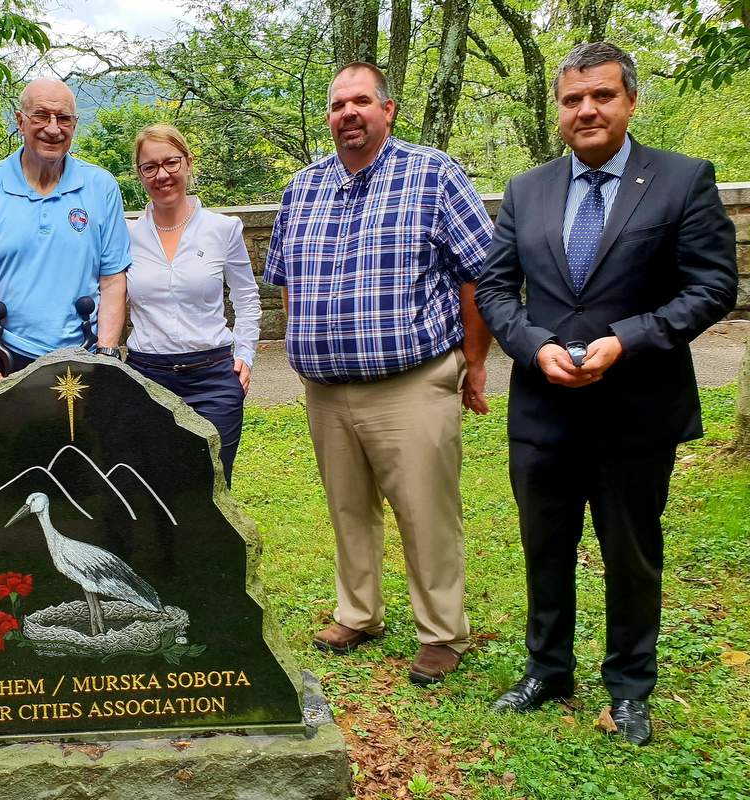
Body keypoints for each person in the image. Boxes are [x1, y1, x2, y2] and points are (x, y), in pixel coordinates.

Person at [476, 42, 737, 744]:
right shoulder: (526, 190)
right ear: (558, 109)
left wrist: (630, 337)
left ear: (629, 101)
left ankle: (629, 686)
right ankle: (547, 670)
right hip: (542, 409)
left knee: (630, 551)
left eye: (602, 96)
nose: (586, 109)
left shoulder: (682, 181)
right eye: (572, 100)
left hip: (636, 412)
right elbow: (498, 289)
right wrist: (533, 347)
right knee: (545, 544)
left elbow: (714, 286)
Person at [263, 63, 493, 685]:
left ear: (388, 111)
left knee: (425, 510)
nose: (348, 114)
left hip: (411, 381)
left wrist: (473, 364)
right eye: (339, 105)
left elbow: (482, 273)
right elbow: (284, 278)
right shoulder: (304, 186)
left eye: (362, 101)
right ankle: (358, 612)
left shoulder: (434, 175)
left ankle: (443, 633)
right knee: (348, 508)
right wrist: (302, 346)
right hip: (326, 388)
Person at [0, 78, 131, 393]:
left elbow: (113, 280)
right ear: (20, 121)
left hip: (84, 355)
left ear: (74, 125)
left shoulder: (101, 187)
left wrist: (107, 355)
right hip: (6, 360)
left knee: (83, 444)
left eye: (63, 118)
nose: (53, 127)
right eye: (41, 116)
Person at [124, 124, 261, 485]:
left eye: (170, 162)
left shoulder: (223, 229)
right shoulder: (126, 237)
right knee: (154, 486)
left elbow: (246, 297)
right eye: (149, 167)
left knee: (210, 487)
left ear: (188, 163)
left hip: (213, 378)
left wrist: (245, 352)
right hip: (147, 379)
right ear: (139, 174)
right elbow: (106, 299)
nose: (162, 174)